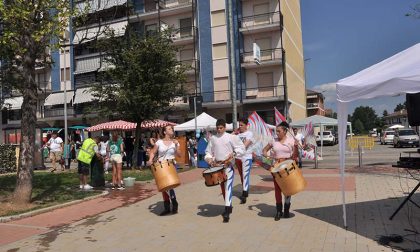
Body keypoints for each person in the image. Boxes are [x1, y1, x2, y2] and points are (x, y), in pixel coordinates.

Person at [205, 119, 245, 223]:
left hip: (228, 166)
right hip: (218, 166)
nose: (219, 129)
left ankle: (227, 210)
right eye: (217, 128)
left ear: (225, 127)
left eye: (221, 128)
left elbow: (242, 148)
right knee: (223, 188)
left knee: (228, 187)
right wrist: (209, 159)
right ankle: (228, 204)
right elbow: (208, 151)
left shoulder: (231, 137)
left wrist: (234, 153)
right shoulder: (213, 138)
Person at [262, 121, 298, 221]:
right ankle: (278, 211)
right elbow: (264, 150)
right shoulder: (273, 140)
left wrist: (296, 146)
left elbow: (296, 156)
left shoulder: (291, 140)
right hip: (276, 167)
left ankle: (286, 209)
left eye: (278, 131)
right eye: (276, 131)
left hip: (288, 166)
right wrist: (265, 154)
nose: (276, 133)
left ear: (285, 131)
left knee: (288, 188)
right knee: (277, 189)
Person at [147, 125, 181, 216]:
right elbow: (153, 152)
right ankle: (168, 206)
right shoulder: (159, 142)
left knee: (170, 185)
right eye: (169, 129)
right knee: (163, 186)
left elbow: (179, 155)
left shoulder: (175, 142)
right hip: (161, 165)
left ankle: (173, 203)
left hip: (171, 164)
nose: (172, 130)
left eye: (172, 129)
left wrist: (177, 145)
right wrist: (150, 160)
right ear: (165, 132)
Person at [234, 118, 254, 204]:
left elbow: (245, 145)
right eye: (239, 125)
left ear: (246, 125)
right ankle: (245, 189)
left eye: (242, 125)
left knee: (245, 175)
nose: (240, 127)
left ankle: (244, 193)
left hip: (246, 156)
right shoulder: (237, 135)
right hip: (238, 158)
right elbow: (230, 141)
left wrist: (237, 149)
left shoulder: (249, 134)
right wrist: (234, 133)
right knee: (242, 176)